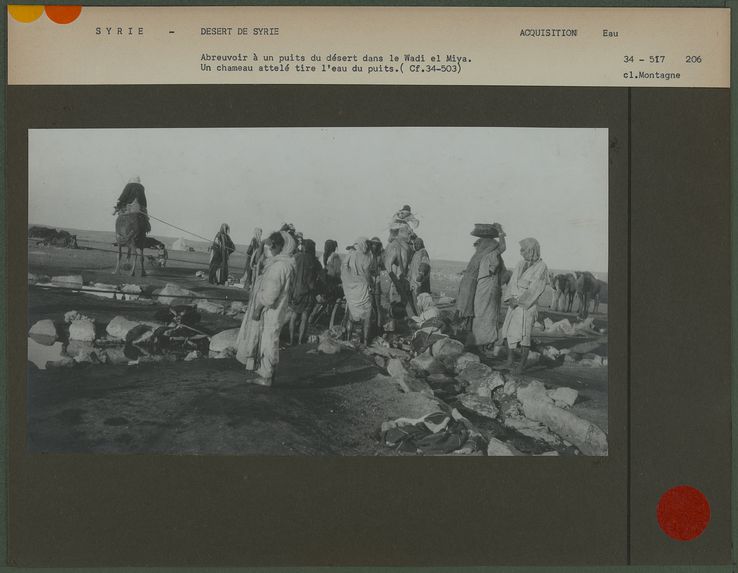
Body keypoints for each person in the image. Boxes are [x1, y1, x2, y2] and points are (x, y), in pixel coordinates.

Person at [235, 230, 297, 386]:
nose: (270, 249)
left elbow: (271, 293)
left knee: (268, 341)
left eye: (272, 246)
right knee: (270, 339)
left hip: (270, 310)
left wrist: (258, 308)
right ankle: (267, 373)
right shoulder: (284, 263)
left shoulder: (279, 266)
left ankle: (267, 376)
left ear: (278, 246)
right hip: (275, 310)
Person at [500, 237, 548, 374]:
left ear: (531, 250)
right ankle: (510, 361)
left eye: (524, 250)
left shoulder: (541, 267)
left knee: (524, 336)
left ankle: (521, 366)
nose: (521, 253)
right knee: (509, 331)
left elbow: (536, 288)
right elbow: (512, 282)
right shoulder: (520, 264)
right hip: (514, 304)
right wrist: (509, 298)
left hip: (527, 306)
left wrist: (519, 301)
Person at [456, 223, 507, 352]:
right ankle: (479, 341)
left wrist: (500, 232)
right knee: (480, 314)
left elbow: (500, 253)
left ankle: (487, 341)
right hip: (482, 287)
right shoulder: (482, 254)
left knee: (487, 315)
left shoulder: (492, 252)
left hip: (488, 287)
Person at [340, 237, 374, 344]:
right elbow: (367, 274)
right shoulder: (367, 257)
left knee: (351, 315)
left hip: (351, 288)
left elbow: (344, 270)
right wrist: (371, 285)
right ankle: (365, 342)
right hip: (362, 288)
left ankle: (348, 338)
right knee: (367, 317)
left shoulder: (350, 255)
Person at [289, 239, 322, 345]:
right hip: (308, 292)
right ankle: (300, 341)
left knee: (294, 316)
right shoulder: (315, 261)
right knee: (304, 317)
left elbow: (291, 273)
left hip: (295, 291)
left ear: (304, 247)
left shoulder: (296, 257)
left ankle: (290, 340)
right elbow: (322, 277)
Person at [408, 236, 431, 303]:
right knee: (415, 301)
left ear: (422, 244)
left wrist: (421, 274)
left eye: (418, 243)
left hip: (420, 282)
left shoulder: (423, 252)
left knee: (420, 301)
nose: (416, 245)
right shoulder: (416, 253)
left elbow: (425, 263)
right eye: (415, 244)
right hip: (414, 282)